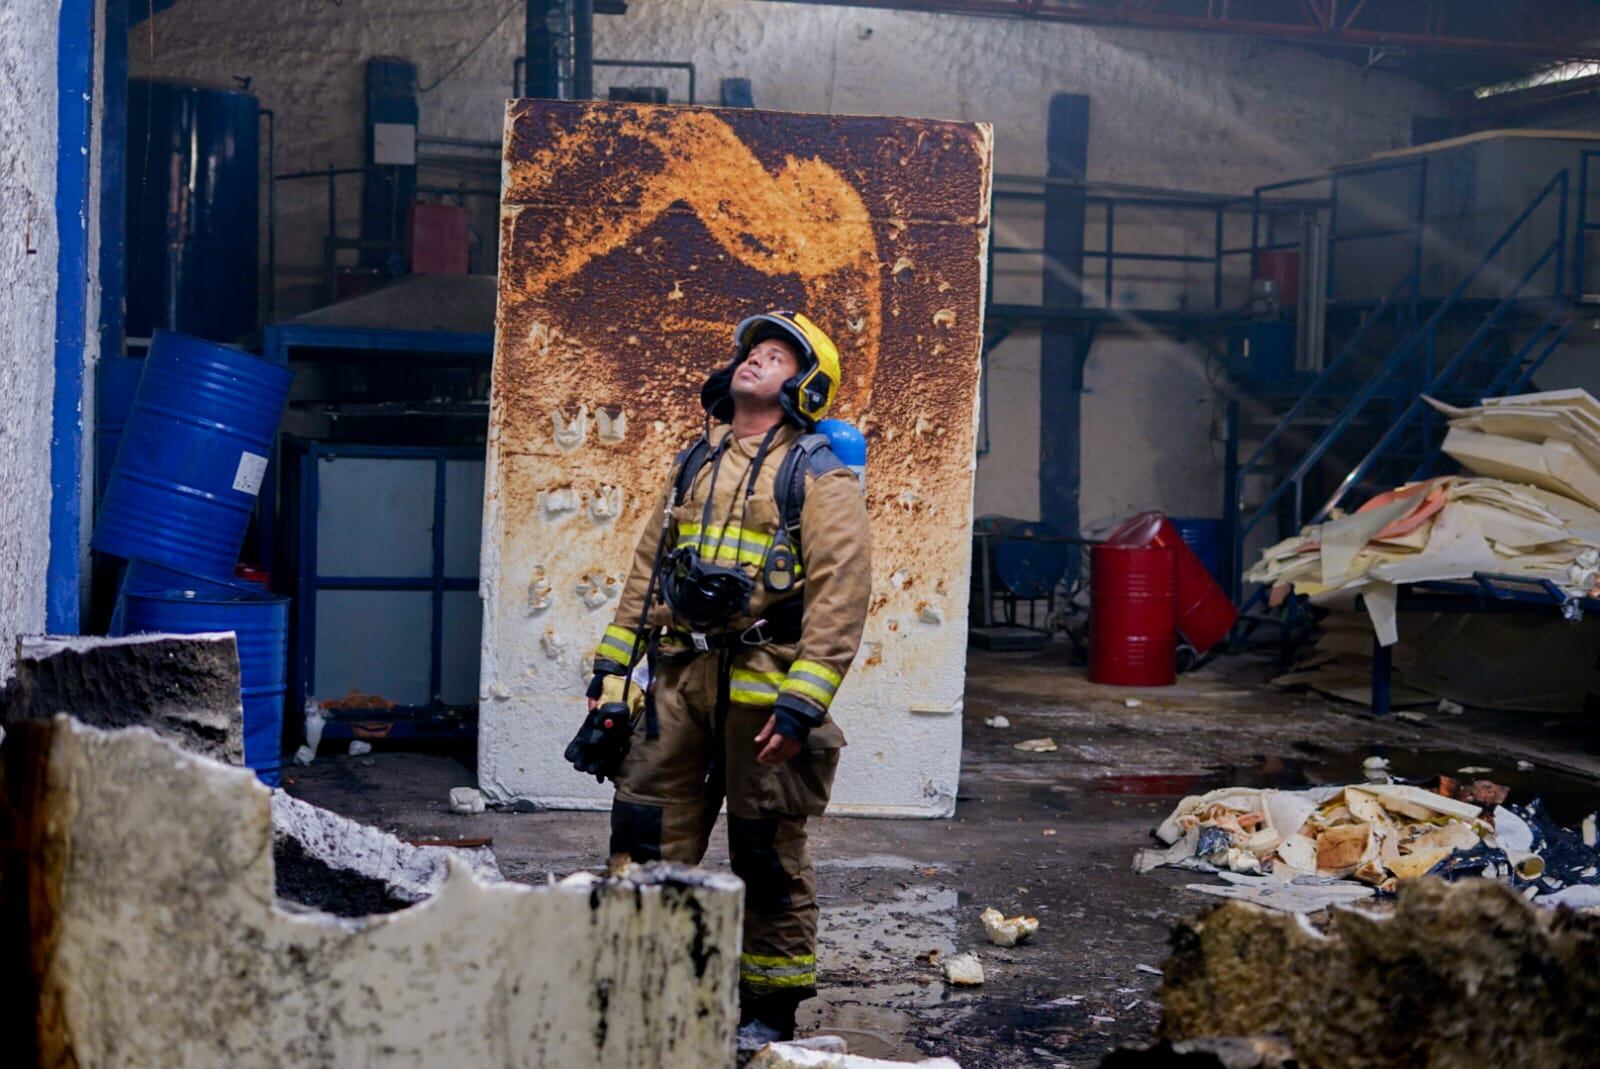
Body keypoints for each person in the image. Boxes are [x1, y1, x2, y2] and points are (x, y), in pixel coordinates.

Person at [582, 310, 871, 1045]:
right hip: (679, 678)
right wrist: (613, 665)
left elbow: (842, 592)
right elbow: (648, 570)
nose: (754, 361)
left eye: (776, 357)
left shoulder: (818, 473)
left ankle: (768, 1011)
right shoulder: (694, 461)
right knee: (647, 829)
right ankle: (644, 987)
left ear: (804, 385)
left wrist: (805, 702)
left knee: (766, 850)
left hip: (765, 689)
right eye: (752, 351)